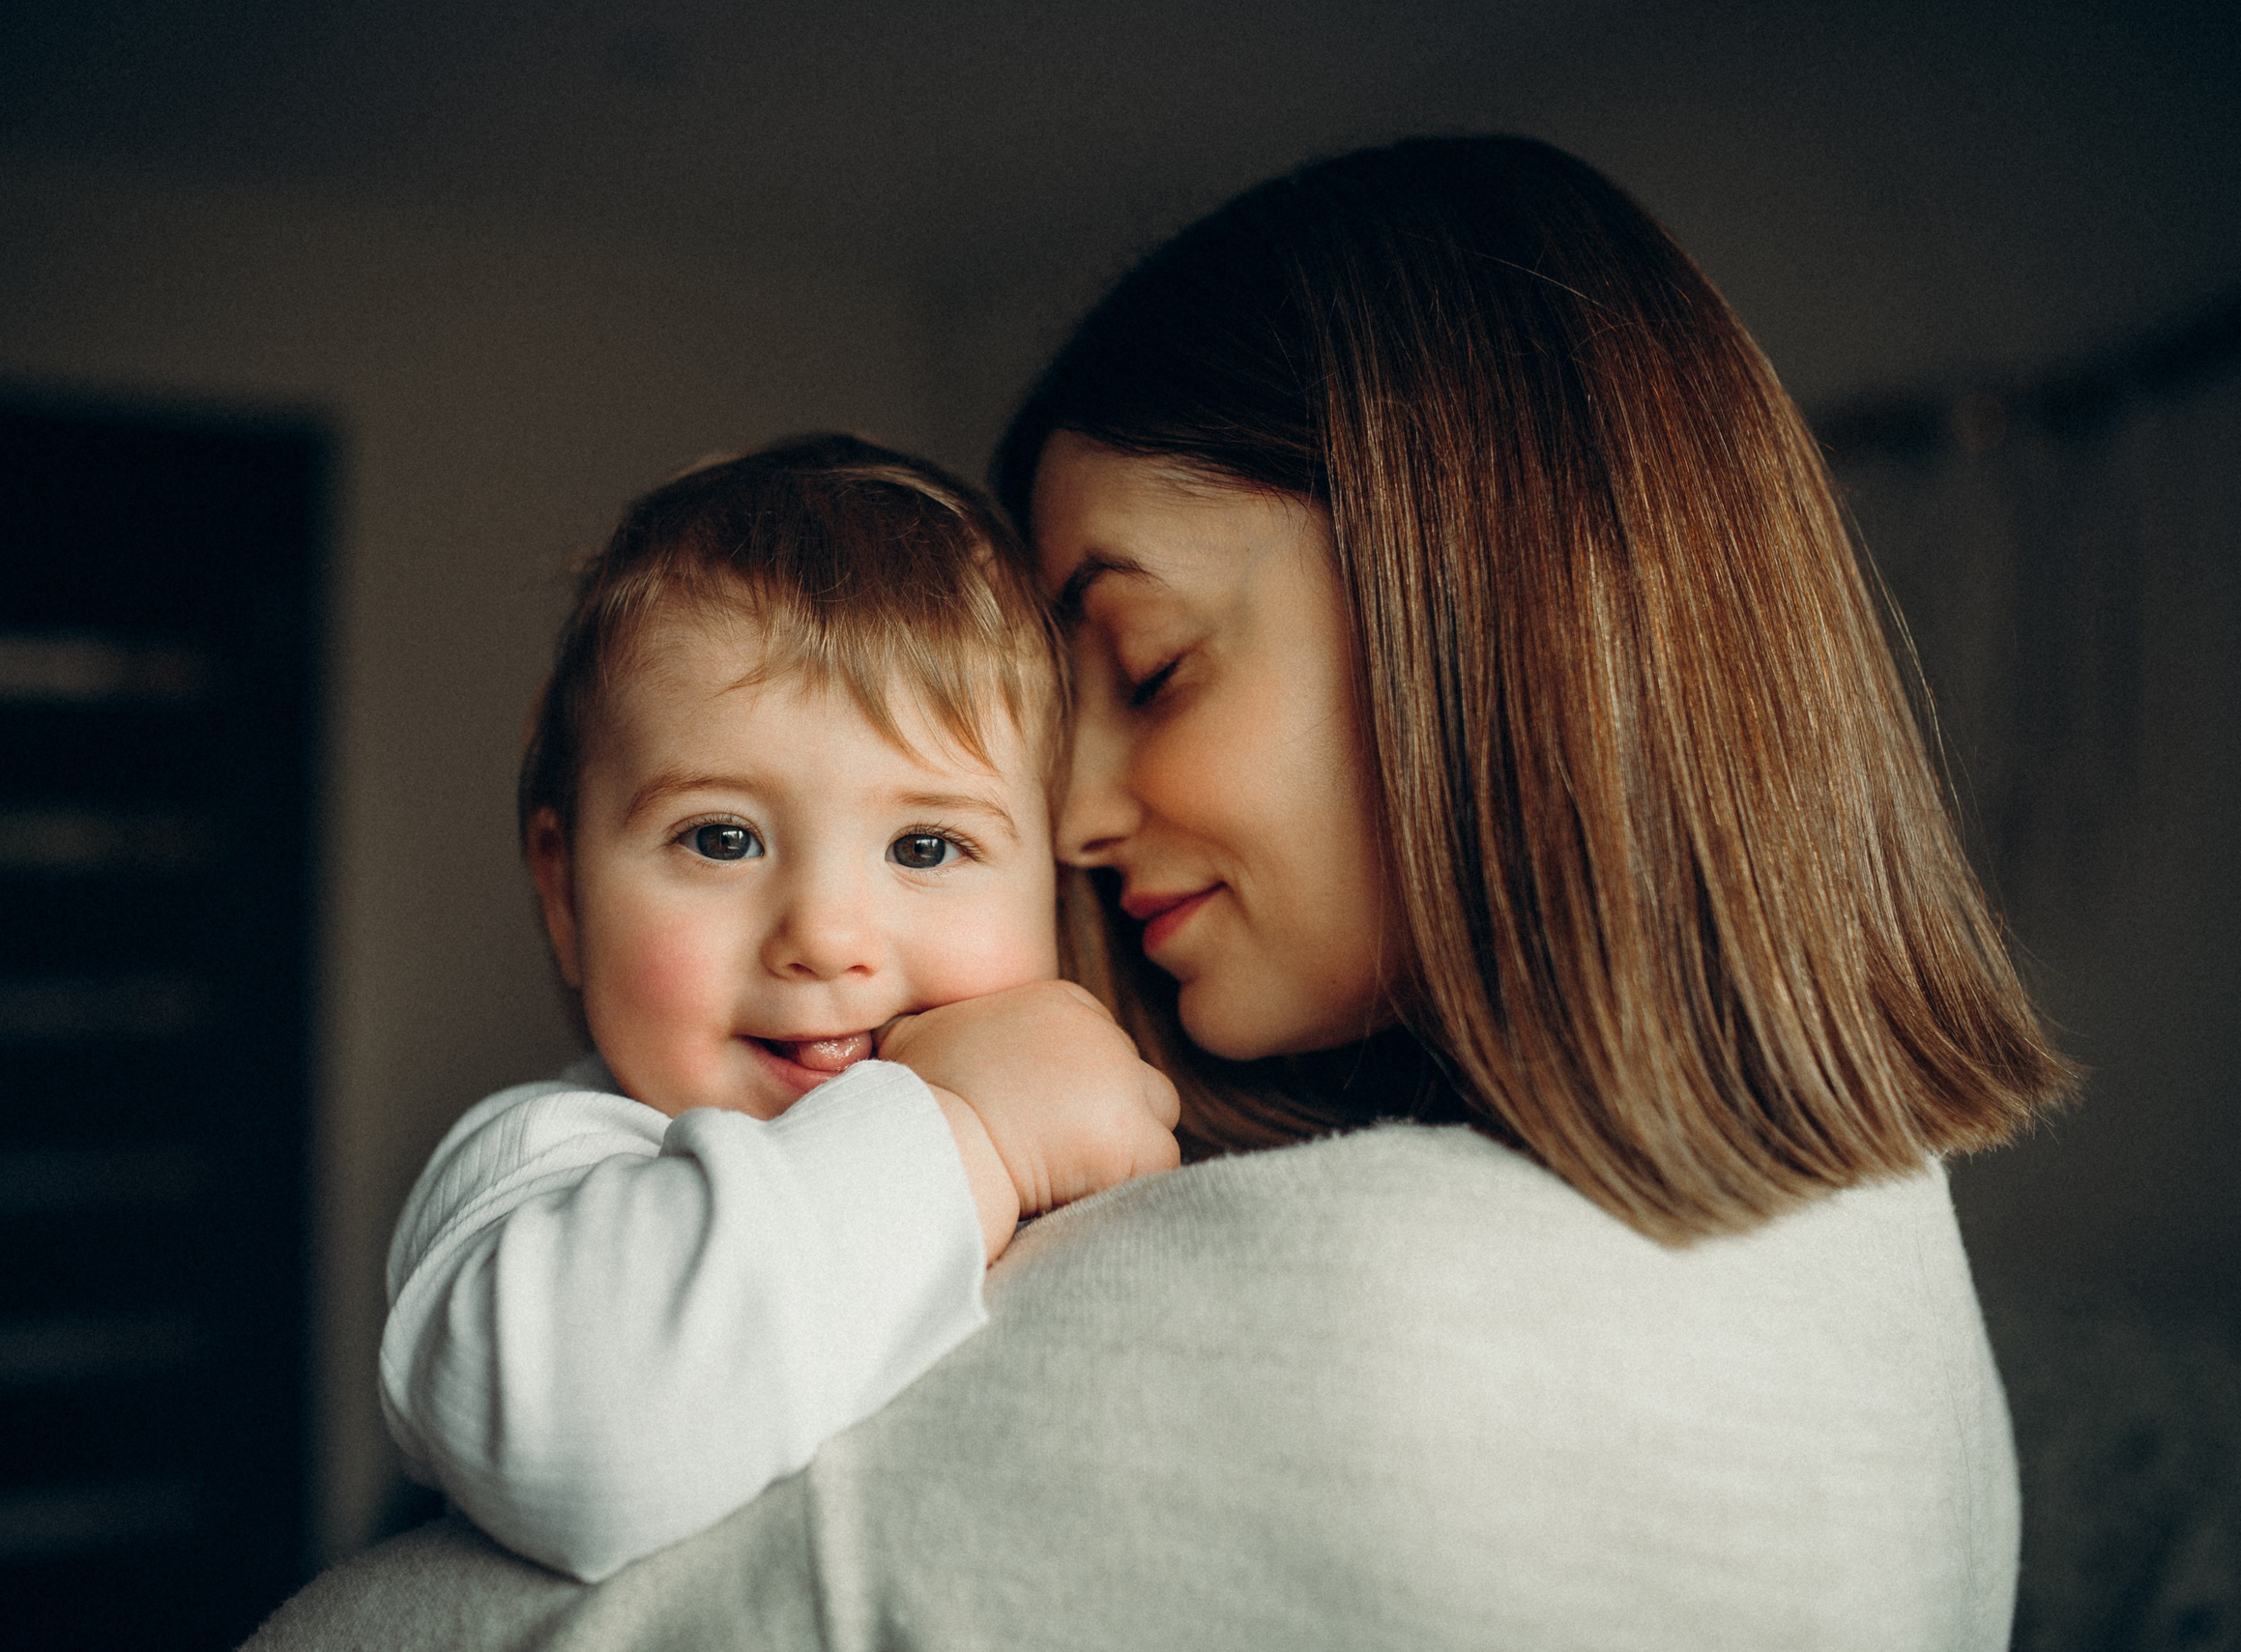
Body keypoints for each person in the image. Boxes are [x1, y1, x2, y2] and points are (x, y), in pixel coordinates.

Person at [250, 134, 2073, 1650]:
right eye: (719, 834)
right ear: (559, 885)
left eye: (1154, 662)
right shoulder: (568, 1170)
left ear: (1483, 619)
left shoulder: (1423, 1311)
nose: (1084, 814)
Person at [377, 434, 1179, 1584]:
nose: (826, 935)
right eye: (721, 837)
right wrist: (968, 1127)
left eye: (926, 843)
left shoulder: (1092, 1113)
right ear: (564, 890)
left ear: (1052, 891)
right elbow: (600, 1434)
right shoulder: (532, 1173)